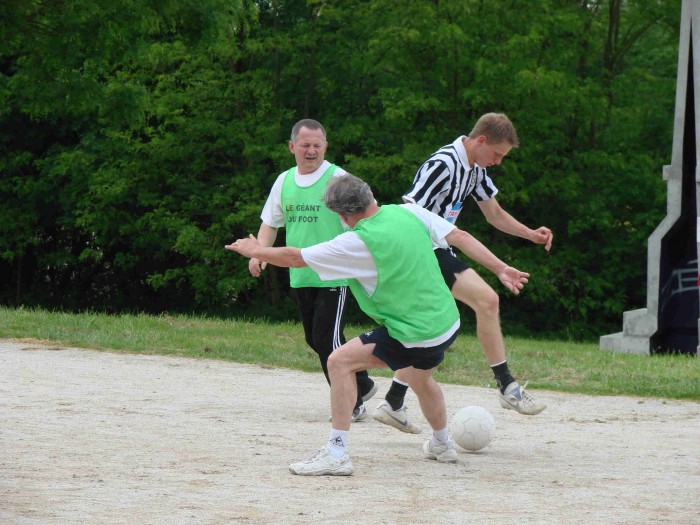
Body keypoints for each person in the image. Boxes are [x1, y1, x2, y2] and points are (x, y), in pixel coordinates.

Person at [225, 174, 530, 476]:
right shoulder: (408, 211)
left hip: (413, 333)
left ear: (343, 215)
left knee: (339, 361)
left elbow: (295, 258)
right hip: (446, 324)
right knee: (421, 378)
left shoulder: (358, 241)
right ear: (370, 196)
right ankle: (441, 443)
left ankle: (337, 452)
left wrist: (256, 250)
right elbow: (459, 237)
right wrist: (501, 268)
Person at [374, 113, 551, 434]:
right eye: (497, 154)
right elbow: (409, 208)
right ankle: (507, 386)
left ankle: (394, 400)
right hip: (421, 250)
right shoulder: (443, 163)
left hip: (437, 250)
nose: (498, 161)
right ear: (481, 140)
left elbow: (494, 214)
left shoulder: (476, 170)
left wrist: (530, 234)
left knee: (434, 328)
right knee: (487, 300)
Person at [248, 119, 377, 422]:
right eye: (305, 145)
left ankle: (352, 402)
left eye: (317, 145)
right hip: (300, 273)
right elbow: (270, 223)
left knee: (325, 338)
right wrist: (259, 254)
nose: (311, 151)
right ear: (292, 147)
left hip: (335, 273)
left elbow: (371, 212)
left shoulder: (338, 177)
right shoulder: (284, 181)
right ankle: (363, 382)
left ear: (325, 147)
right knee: (314, 337)